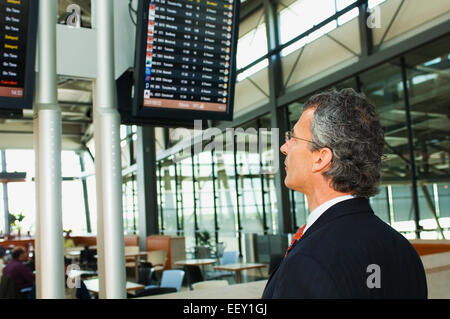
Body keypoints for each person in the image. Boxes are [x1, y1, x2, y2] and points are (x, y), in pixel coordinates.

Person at [262, 88, 427, 299]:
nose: (284, 147)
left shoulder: (308, 262)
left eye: (293, 137)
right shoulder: (403, 251)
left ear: (321, 159)